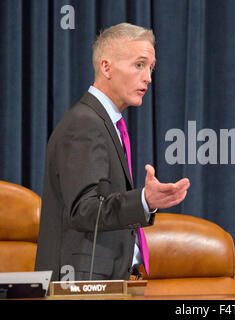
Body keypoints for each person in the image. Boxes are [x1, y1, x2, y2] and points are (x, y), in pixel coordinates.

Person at [35, 23, 190, 281]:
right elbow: (84, 210)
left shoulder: (104, 122)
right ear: (106, 67)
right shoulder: (85, 123)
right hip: (80, 285)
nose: (149, 77)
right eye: (139, 65)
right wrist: (143, 200)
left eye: (151, 68)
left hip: (109, 280)